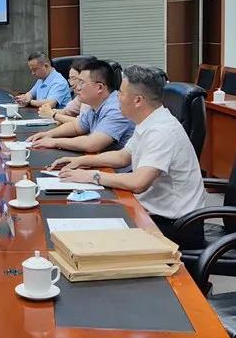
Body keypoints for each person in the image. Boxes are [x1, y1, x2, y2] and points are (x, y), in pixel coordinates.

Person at [48, 65, 205, 235]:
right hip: (148, 211)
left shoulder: (162, 131)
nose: (117, 98)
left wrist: (92, 176)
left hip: (174, 226)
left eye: (121, 93)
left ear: (138, 100)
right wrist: (81, 161)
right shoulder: (149, 121)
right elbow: (123, 157)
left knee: (87, 229)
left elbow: (138, 183)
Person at [27, 60, 134, 153]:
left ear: (99, 87)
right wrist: (48, 134)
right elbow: (77, 127)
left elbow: (92, 144)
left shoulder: (116, 109)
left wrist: (54, 142)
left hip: (116, 168)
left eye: (82, 82)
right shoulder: (95, 104)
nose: (77, 88)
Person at [38, 57, 97, 124]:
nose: (71, 83)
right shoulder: (80, 97)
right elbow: (66, 111)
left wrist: (54, 115)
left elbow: (83, 123)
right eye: (70, 79)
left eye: (74, 78)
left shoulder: (89, 97)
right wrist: (49, 111)